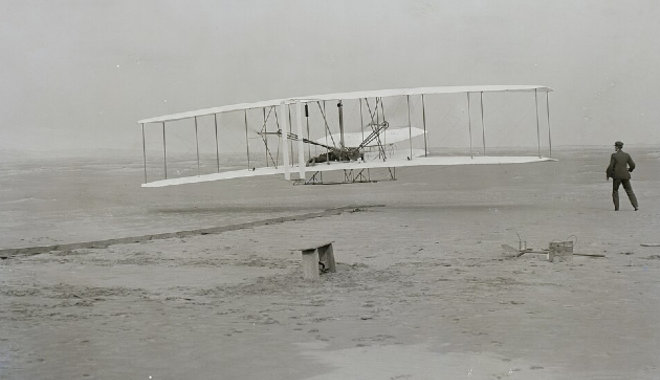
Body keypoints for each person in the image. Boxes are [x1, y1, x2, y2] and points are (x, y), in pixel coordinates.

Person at [606, 141, 638, 211]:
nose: (615, 147)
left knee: (615, 191)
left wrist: (608, 174)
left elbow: (611, 166)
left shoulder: (614, 155)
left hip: (617, 176)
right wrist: (630, 170)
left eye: (615, 146)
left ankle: (617, 208)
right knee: (629, 191)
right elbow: (633, 165)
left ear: (617, 147)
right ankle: (636, 206)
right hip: (625, 175)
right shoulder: (627, 155)